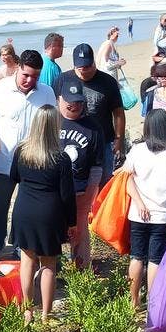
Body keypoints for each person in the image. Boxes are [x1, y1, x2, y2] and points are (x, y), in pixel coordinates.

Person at [0, 50, 54, 264]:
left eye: (35, 77)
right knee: (0, 205)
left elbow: (51, 127)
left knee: (24, 209)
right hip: (3, 160)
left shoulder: (47, 92)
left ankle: (19, 246)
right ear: (19, 68)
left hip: (34, 164)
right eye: (26, 75)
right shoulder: (0, 89)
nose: (30, 81)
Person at [10, 106, 75, 322]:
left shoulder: (22, 151)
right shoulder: (61, 158)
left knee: (27, 261)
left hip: (24, 209)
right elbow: (67, 195)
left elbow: (14, 177)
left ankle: (27, 311)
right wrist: (71, 222)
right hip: (49, 212)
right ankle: (46, 315)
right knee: (49, 264)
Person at [123, 110, 166, 310]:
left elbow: (127, 181)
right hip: (163, 216)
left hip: (138, 214)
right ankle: (154, 304)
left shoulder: (137, 150)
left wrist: (140, 203)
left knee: (136, 257)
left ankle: (133, 301)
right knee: (155, 260)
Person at [54, 44, 126, 170]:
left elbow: (118, 113)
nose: (84, 71)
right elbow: (54, 108)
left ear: (93, 62)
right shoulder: (63, 79)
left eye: (87, 67)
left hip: (102, 142)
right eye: (80, 67)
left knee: (103, 182)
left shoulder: (108, 82)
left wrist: (119, 139)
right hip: (71, 142)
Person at [57, 80, 104, 269]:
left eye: (78, 102)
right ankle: (54, 268)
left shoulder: (93, 127)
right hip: (54, 189)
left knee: (81, 228)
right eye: (69, 102)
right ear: (59, 99)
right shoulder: (51, 120)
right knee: (54, 229)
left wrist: (91, 191)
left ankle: (82, 267)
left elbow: (97, 165)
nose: (74, 106)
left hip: (80, 190)